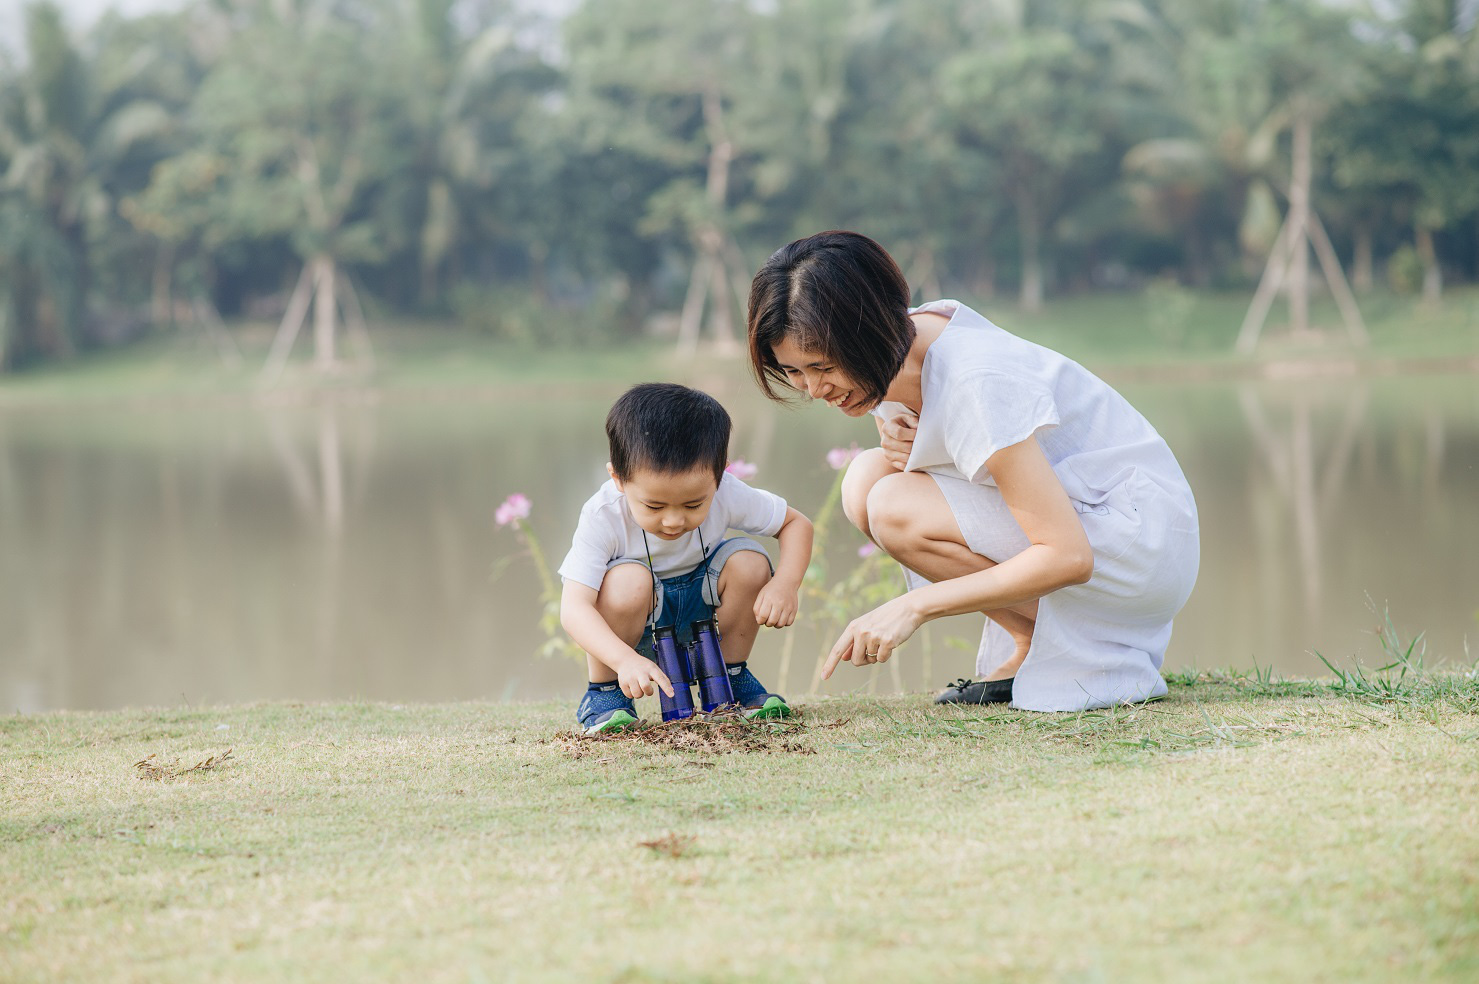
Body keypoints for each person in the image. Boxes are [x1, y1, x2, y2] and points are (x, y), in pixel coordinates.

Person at [746, 231, 1199, 712]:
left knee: (891, 505)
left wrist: (914, 606)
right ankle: (1033, 644)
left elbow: (1069, 556)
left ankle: (1091, 653)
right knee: (866, 479)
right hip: (1092, 512)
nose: (814, 389)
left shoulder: (975, 381)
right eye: (794, 371)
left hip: (1137, 541)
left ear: (867, 329)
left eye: (822, 366)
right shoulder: (902, 345)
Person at [558, 383, 815, 733]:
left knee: (751, 562)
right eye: (654, 506)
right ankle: (606, 694)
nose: (674, 520)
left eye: (694, 504)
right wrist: (624, 660)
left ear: (720, 474)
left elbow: (796, 524)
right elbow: (574, 608)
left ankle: (731, 675)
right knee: (627, 582)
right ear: (618, 478)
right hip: (636, 632)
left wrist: (786, 584)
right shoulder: (602, 515)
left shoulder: (727, 491)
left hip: (704, 613)